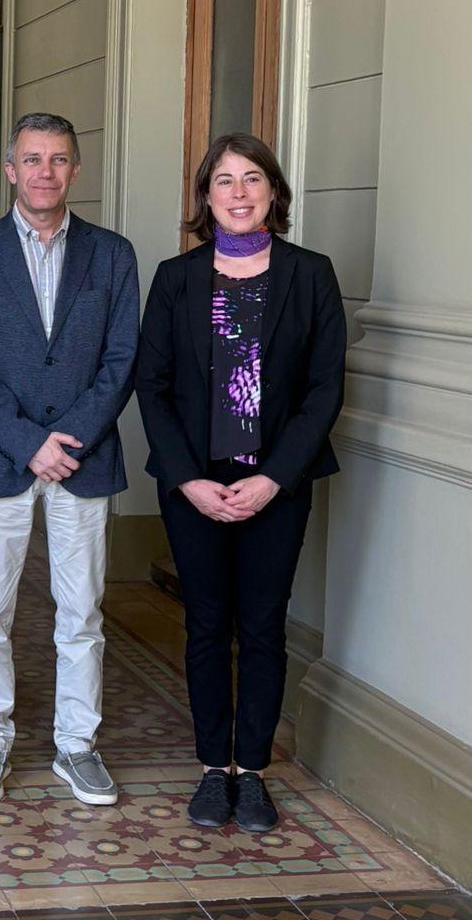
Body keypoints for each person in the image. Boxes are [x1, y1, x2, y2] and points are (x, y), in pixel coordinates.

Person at [135, 132, 346, 832]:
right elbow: (154, 387)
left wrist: (275, 479)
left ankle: (250, 771)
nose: (239, 193)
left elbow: (323, 389)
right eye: (223, 181)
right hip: (194, 485)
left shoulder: (311, 275)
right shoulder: (176, 278)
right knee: (205, 625)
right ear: (205, 197)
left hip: (275, 488)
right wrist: (189, 478)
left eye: (252, 179)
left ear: (275, 193)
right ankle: (209, 769)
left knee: (262, 625)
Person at [0, 112, 139, 808]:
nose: (44, 172)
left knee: (81, 612)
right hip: (1, 461)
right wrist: (28, 442)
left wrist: (68, 441)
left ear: (75, 170)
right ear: (10, 170)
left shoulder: (112, 255)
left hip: (83, 461)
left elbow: (120, 362)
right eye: (31, 159)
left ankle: (76, 746)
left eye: (58, 159)